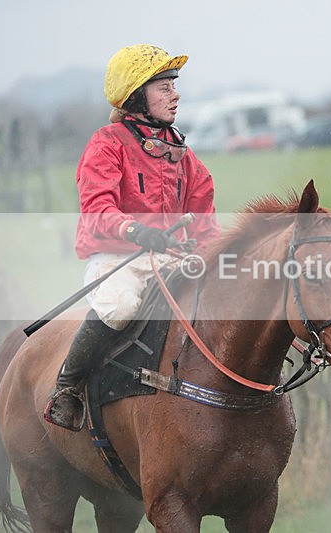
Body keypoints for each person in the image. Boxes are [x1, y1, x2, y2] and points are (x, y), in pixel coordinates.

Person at [44, 44, 220, 431]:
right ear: (136, 96)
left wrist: (221, 259)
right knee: (122, 307)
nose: (175, 95)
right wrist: (136, 230)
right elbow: (96, 210)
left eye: (174, 85)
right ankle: (68, 388)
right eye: (164, 87)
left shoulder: (184, 155)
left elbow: (205, 224)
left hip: (173, 257)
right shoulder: (106, 144)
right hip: (117, 258)